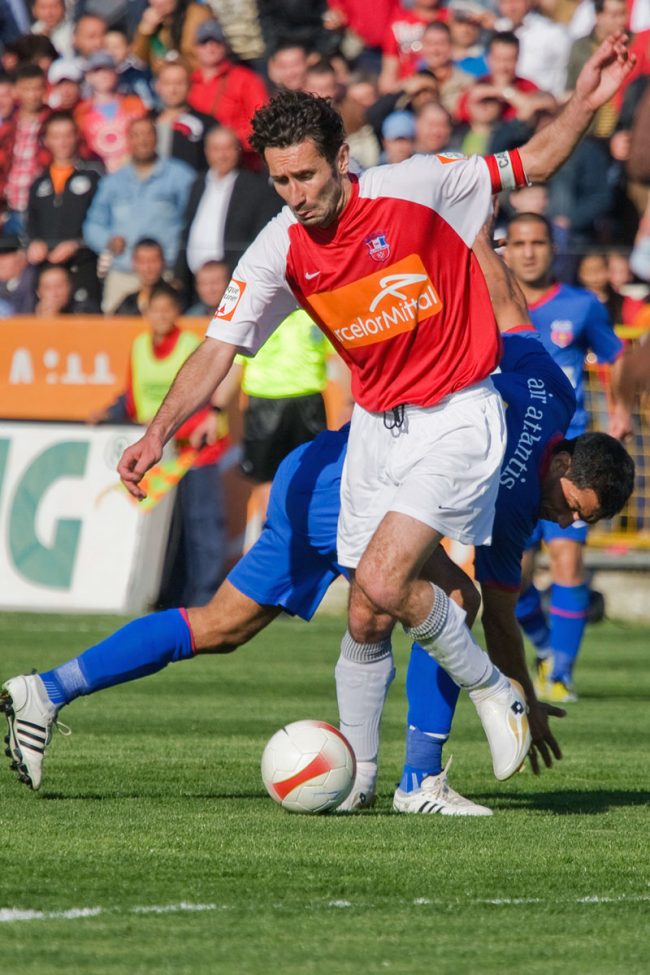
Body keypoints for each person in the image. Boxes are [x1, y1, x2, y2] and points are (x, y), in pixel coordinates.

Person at [113, 36, 637, 785]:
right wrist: (157, 432)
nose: (295, 195)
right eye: (280, 180)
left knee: (390, 581)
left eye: (305, 176)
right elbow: (217, 348)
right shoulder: (279, 245)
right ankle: (359, 781)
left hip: (459, 413)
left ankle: (492, 694)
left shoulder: (421, 183)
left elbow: (534, 164)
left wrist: (585, 99)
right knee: (365, 613)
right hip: (375, 431)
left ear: (343, 161)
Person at [0, 252, 634, 797]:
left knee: (220, 626)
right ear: (567, 463)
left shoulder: (552, 388)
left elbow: (506, 300)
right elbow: (499, 615)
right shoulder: (519, 499)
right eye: (575, 508)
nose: (567, 522)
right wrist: (520, 700)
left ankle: (48, 690)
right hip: (353, 487)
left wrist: (473, 229)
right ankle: (421, 783)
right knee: (450, 599)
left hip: (313, 472)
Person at [504, 212, 624, 703]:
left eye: (538, 242)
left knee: (568, 562)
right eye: (519, 242)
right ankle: (547, 647)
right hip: (512, 459)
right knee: (513, 577)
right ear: (504, 249)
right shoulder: (494, 303)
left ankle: (561, 675)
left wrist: (618, 411)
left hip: (569, 463)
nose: (529, 251)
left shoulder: (581, 306)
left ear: (554, 249)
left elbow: (614, 358)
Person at [94, 282, 230, 607]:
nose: (161, 316)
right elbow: (133, 396)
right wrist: (108, 411)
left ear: (177, 312)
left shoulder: (190, 345)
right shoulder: (140, 346)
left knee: (201, 524)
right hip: (159, 454)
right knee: (166, 534)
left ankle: (205, 599)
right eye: (156, 309)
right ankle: (169, 597)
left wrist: (197, 427)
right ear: (146, 312)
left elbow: (204, 392)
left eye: (168, 309)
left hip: (193, 449)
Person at [82, 116, 194, 312]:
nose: (142, 140)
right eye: (136, 135)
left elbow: (191, 222)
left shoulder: (180, 176)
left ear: (156, 138)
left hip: (166, 274)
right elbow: (92, 224)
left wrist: (180, 268)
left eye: (147, 134)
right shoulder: (113, 182)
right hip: (123, 273)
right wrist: (108, 240)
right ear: (128, 140)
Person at [175, 124, 281, 299]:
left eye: (227, 149)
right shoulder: (198, 183)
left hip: (235, 283)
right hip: (194, 284)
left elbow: (259, 235)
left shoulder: (255, 188)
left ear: (237, 150)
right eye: (216, 149)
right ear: (207, 151)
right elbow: (186, 229)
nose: (222, 156)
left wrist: (229, 271)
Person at [25, 110, 103, 311]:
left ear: (76, 136)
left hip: (83, 268)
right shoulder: (38, 183)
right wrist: (34, 244)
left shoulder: (93, 177)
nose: (63, 142)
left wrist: (77, 244)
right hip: (48, 272)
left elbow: (102, 223)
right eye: (56, 136)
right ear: (47, 140)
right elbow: (31, 224)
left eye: (67, 135)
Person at [187, 19, 269, 158]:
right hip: (198, 157)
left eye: (216, 42)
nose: (210, 47)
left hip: (240, 158)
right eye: (204, 43)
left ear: (225, 46)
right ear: (195, 49)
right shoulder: (189, 82)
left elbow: (263, 122)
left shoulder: (246, 79)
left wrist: (231, 142)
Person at [74, 51, 147, 173]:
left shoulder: (136, 105)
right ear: (89, 77)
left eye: (108, 70)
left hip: (133, 171)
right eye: (97, 71)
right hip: (97, 173)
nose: (104, 75)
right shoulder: (81, 112)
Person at [0, 63, 51, 234]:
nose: (32, 95)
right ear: (16, 91)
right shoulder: (8, 129)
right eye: (27, 89)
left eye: (37, 89)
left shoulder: (52, 123)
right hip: (12, 209)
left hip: (43, 207)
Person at [113, 237, 166, 315]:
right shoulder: (129, 302)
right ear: (134, 264)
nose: (148, 267)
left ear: (163, 262)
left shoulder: (175, 298)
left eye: (153, 261)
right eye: (142, 261)